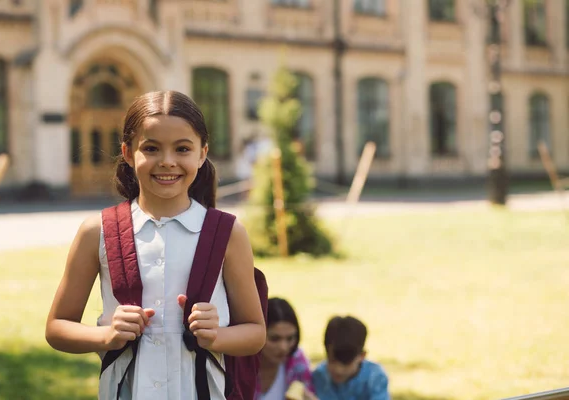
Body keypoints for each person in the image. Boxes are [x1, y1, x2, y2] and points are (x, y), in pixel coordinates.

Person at [45, 90, 266, 399]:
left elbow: (255, 333)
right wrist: (106, 335)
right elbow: (57, 327)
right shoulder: (97, 231)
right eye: (151, 148)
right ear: (127, 151)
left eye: (182, 149)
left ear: (202, 153)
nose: (167, 162)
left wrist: (217, 335)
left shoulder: (228, 233)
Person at [312, 316, 390, 400]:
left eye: (346, 364)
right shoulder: (320, 376)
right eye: (332, 361)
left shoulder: (375, 377)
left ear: (362, 356)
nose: (338, 370)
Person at [256, 297, 317, 400]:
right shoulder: (240, 366)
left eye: (290, 338)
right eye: (274, 339)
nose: (283, 347)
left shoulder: (298, 362)